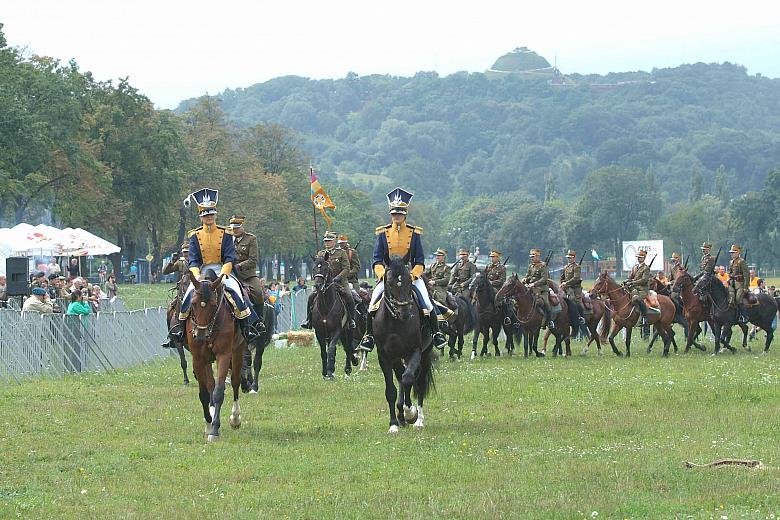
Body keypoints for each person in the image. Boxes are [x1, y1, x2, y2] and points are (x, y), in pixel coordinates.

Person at [357, 187, 446, 352]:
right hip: (388, 276)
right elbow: (377, 259)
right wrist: (383, 274)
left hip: (409, 275)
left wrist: (413, 275)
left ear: (405, 214)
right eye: (394, 214)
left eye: (399, 214)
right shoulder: (383, 233)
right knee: (372, 304)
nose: (396, 217)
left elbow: (419, 260)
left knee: (427, 301)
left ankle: (436, 333)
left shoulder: (414, 233)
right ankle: (369, 336)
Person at [170, 187, 261, 347]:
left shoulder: (226, 233)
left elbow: (229, 256)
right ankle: (180, 329)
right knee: (187, 296)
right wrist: (196, 275)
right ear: (201, 217)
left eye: (211, 214)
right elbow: (193, 259)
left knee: (237, 293)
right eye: (205, 215)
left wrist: (225, 274)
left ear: (215, 215)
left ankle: (248, 327)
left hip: (222, 270)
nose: (209, 217)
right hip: (202, 272)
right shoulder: (194, 235)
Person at [300, 232, 357, 329]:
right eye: (325, 241)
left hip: (340, 282)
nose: (327, 243)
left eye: (329, 241)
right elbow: (317, 268)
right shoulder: (320, 253)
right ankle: (308, 320)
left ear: (334, 242)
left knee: (349, 296)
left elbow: (347, 268)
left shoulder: (341, 253)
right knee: (311, 297)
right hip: (324, 283)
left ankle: (351, 320)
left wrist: (339, 277)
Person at [522, 248, 555, 329]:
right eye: (531, 257)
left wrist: (534, 284)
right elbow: (528, 276)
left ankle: (549, 321)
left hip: (542, 289)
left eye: (533, 256)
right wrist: (525, 280)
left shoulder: (543, 266)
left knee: (546, 303)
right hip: (531, 289)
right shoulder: (531, 266)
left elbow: (544, 279)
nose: (531, 258)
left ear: (537, 256)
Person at [624, 249, 652, 325]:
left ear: (644, 258)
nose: (638, 259)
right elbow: (630, 277)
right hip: (634, 288)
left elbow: (644, 280)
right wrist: (626, 281)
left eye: (640, 257)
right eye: (638, 257)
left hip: (642, 289)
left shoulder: (646, 268)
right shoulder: (635, 267)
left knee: (637, 298)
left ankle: (644, 316)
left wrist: (632, 282)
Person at [560, 249, 586, 324]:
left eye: (570, 258)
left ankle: (581, 317)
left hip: (575, 288)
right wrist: (562, 283)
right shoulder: (565, 267)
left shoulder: (577, 267)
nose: (569, 259)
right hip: (566, 288)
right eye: (568, 258)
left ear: (574, 258)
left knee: (573, 300)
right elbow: (562, 277)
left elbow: (576, 278)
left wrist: (566, 283)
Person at [727, 244, 750, 323]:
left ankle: (743, 316)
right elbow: (729, 272)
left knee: (738, 299)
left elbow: (747, 275)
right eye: (731, 253)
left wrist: (746, 287)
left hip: (740, 284)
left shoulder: (741, 261)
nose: (732, 254)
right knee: (729, 297)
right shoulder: (731, 262)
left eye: (733, 252)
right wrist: (729, 277)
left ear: (738, 253)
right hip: (732, 283)